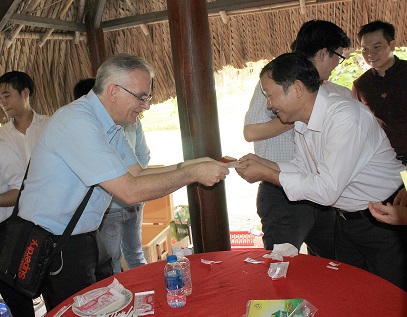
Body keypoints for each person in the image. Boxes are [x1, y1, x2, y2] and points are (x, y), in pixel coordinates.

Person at [0, 53, 229, 316]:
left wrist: (190, 165)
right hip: (56, 244)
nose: (147, 105)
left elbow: (137, 174)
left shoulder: (110, 125)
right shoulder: (78, 122)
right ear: (113, 91)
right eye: (142, 97)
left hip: (84, 237)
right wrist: (193, 174)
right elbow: (129, 191)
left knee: (109, 306)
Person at [236, 52, 407, 291]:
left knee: (391, 298)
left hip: (386, 218)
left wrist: (265, 174)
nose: (269, 105)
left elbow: (327, 190)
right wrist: (263, 164)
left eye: (269, 95)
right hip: (348, 221)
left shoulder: (344, 117)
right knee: (351, 294)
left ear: (296, 89)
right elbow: (303, 167)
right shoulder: (303, 121)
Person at [243, 20, 351, 257]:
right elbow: (250, 132)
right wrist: (298, 116)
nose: (337, 64)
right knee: (282, 267)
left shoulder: (332, 92)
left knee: (329, 265)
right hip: (281, 192)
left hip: (322, 190)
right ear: (324, 53)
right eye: (338, 57)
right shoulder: (276, 80)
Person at [74, 78, 150, 273]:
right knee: (134, 253)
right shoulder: (128, 122)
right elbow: (143, 155)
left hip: (112, 205)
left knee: (113, 259)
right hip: (132, 200)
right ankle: (143, 292)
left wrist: (131, 181)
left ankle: (127, 298)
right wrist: (135, 179)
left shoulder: (95, 127)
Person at [0, 71, 49, 315]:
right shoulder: (1, 136)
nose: (3, 102)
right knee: (17, 289)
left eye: (7, 95)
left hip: (51, 221)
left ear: (25, 93)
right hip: (13, 225)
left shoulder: (51, 126)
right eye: (0, 98)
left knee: (54, 287)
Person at [352, 20, 407, 164]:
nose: (370, 54)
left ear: (392, 45)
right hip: (386, 161)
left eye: (377, 47)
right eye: (365, 49)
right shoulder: (361, 85)